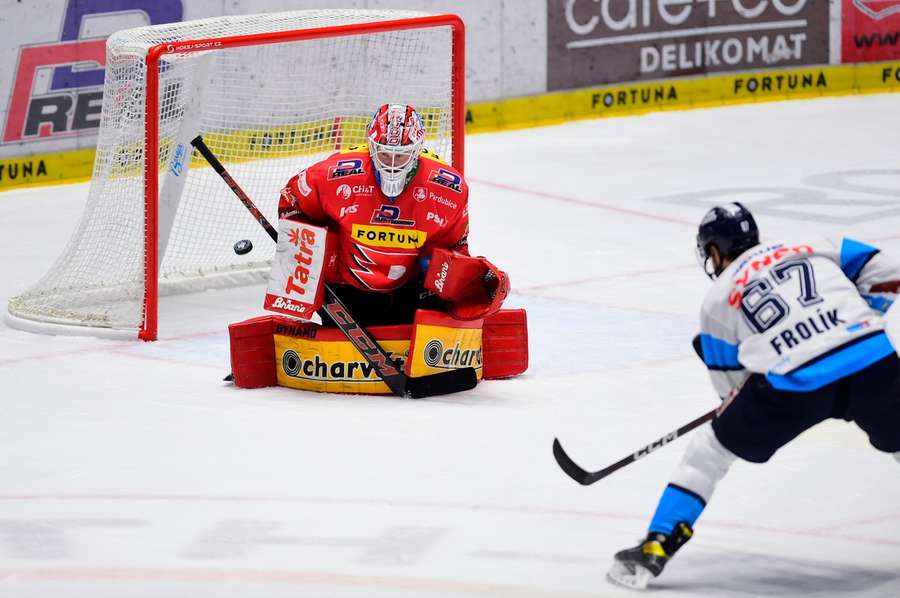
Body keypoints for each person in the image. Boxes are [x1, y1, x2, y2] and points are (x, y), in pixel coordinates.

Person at [608, 202, 900, 590]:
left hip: (797, 384)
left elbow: (731, 390)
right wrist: (855, 319)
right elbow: (888, 272)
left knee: (709, 451)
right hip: (871, 360)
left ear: (714, 252)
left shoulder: (717, 300)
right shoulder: (812, 243)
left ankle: (655, 548)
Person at [274, 103, 508, 325]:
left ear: (417, 150)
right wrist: (306, 258)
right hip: (344, 291)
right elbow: (292, 199)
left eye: (401, 155)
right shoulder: (334, 175)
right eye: (385, 154)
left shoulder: (448, 189)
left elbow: (456, 246)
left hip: (410, 293)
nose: (392, 164)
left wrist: (454, 274)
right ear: (371, 147)